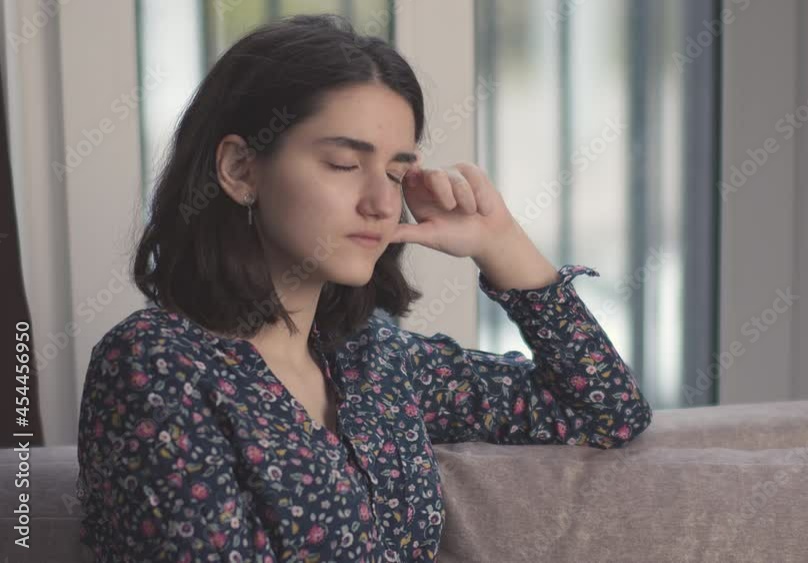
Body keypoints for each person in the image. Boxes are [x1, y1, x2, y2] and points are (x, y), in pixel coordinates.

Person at [75, 13, 653, 562]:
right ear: (240, 170)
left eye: (397, 174)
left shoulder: (373, 358)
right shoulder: (154, 366)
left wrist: (498, 241)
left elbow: (603, 410)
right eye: (344, 165)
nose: (382, 203)